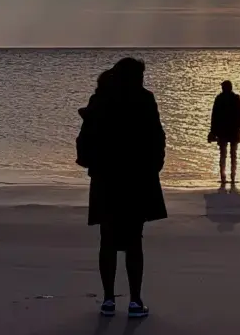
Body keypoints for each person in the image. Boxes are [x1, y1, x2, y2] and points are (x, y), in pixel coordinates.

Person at [76, 57, 167, 318]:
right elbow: (157, 137)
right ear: (135, 76)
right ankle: (135, 301)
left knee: (107, 239)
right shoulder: (144, 99)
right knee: (134, 240)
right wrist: (155, 166)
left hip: (106, 178)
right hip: (137, 178)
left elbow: (84, 139)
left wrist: (91, 163)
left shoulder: (100, 99)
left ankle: (108, 300)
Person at [208, 80, 240, 184]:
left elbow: (214, 117)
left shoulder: (219, 98)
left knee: (223, 154)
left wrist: (212, 131)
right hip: (234, 130)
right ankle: (233, 177)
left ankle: (223, 177)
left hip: (222, 131)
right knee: (233, 154)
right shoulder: (235, 98)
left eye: (223, 87)